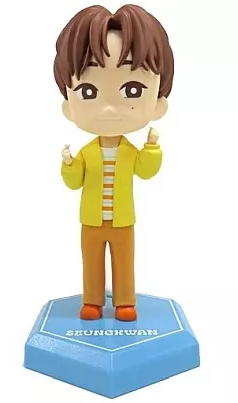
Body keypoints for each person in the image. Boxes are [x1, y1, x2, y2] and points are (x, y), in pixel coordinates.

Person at [55, 4, 174, 321]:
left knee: (124, 260)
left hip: (122, 220)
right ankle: (92, 300)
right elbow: (74, 182)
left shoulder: (129, 152)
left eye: (133, 90)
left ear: (158, 103)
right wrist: (68, 163)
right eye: (88, 91)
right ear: (69, 105)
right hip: (91, 220)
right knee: (91, 261)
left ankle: (124, 301)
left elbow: (146, 171)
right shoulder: (87, 153)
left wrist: (151, 148)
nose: (109, 109)